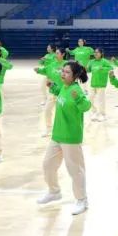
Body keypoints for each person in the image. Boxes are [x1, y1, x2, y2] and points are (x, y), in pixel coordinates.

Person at [37, 61, 91, 215]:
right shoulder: (64, 87)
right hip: (57, 135)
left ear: (75, 76)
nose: (63, 74)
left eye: (67, 72)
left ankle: (82, 200)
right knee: (48, 165)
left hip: (71, 137)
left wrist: (79, 99)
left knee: (75, 170)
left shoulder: (76, 90)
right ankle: (54, 191)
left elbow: (86, 106)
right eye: (63, 71)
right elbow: (60, 92)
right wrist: (52, 87)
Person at [35, 49, 66, 137]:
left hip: (63, 93)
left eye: (58, 53)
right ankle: (48, 129)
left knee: (62, 113)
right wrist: (38, 70)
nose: (56, 55)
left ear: (63, 54)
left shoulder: (67, 65)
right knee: (47, 111)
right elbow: (44, 70)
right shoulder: (52, 64)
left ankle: (63, 130)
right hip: (52, 92)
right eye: (55, 53)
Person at [86, 49, 112, 122]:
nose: (95, 53)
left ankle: (102, 114)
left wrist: (103, 68)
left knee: (101, 100)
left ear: (101, 53)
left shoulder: (105, 61)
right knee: (90, 98)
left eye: (97, 52)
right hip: (93, 83)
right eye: (95, 52)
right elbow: (88, 70)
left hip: (101, 84)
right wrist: (85, 67)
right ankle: (94, 112)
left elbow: (111, 68)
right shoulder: (92, 62)